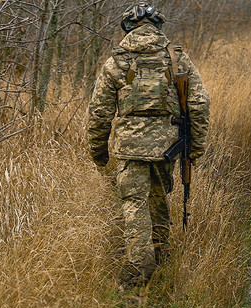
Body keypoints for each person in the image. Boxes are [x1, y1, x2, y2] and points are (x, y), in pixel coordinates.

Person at [88, 2, 210, 289]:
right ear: (158, 27)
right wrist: (196, 147)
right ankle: (162, 256)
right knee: (157, 200)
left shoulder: (117, 61)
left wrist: (98, 151)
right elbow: (200, 104)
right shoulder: (177, 59)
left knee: (134, 203)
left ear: (127, 28)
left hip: (130, 148)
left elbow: (99, 112)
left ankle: (138, 268)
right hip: (167, 146)